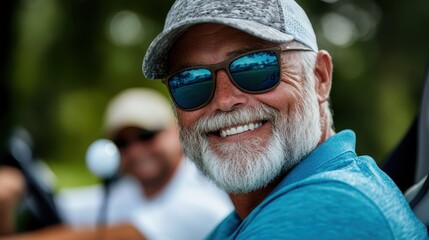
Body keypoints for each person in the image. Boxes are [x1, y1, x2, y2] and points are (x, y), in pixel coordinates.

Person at [141, 0, 428, 239]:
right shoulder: (243, 221)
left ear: (319, 78)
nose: (225, 100)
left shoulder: (325, 210)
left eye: (256, 66)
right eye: (189, 81)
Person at [0, 88, 233, 240]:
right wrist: (10, 193)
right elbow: (56, 207)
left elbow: (113, 236)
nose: (135, 150)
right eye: (122, 142)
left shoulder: (203, 194)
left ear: (178, 133)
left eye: (146, 135)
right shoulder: (124, 193)